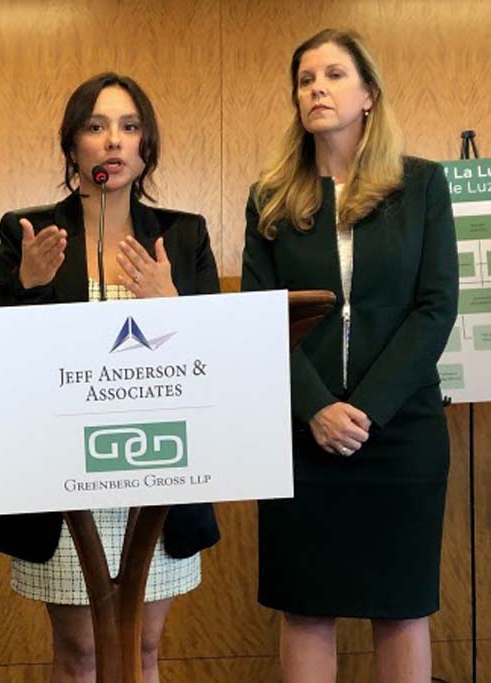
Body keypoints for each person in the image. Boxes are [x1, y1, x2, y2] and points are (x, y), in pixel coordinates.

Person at [0, 72, 220, 683]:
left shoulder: (184, 234)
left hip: (159, 470)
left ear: (146, 149)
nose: (113, 140)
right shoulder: (27, 232)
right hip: (63, 484)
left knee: (144, 648)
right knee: (80, 652)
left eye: (129, 126)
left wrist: (174, 306)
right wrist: (29, 289)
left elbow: (218, 362)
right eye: (96, 126)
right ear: (73, 147)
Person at [241, 29, 458, 683]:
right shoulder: (271, 196)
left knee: (401, 608)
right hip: (300, 434)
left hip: (399, 431)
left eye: (334, 75)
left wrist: (361, 409)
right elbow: (259, 318)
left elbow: (434, 306)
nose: (316, 89)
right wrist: (315, 409)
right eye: (306, 80)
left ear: (369, 95)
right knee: (307, 608)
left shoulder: (420, 185)